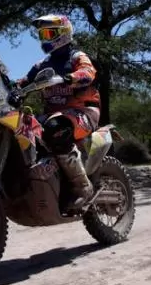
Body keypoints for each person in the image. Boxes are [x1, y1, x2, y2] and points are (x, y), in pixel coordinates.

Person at [14, 13, 99, 210]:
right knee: (23, 130)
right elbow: (24, 81)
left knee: (55, 129)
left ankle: (83, 188)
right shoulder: (42, 65)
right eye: (42, 34)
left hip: (83, 111)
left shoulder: (77, 56)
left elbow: (88, 73)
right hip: (53, 114)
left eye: (50, 33)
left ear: (64, 33)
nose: (45, 38)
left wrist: (66, 78)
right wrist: (9, 88)